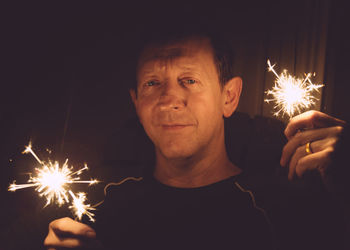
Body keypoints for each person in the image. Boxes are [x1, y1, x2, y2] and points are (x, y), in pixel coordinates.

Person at [43, 30, 348, 250]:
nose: (168, 101)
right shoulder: (90, 205)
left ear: (229, 96)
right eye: (152, 83)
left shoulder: (288, 207)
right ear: (136, 103)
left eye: (189, 80)